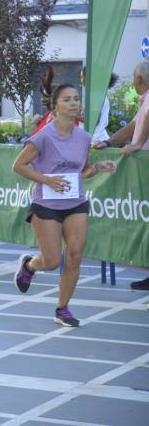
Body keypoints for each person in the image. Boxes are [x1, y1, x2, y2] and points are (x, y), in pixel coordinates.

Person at [12, 84, 117, 327]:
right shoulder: (44, 136)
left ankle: (63, 309)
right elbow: (18, 166)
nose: (73, 103)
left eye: (76, 99)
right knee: (52, 262)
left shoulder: (84, 136)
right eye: (67, 99)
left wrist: (99, 168)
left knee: (74, 256)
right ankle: (29, 264)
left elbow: (83, 171)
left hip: (76, 202)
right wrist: (47, 179)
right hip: (46, 203)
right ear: (55, 106)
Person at [92, 62, 149, 292]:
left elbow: (139, 130)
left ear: (138, 79)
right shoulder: (144, 99)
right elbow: (133, 125)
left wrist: (138, 143)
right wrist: (108, 142)